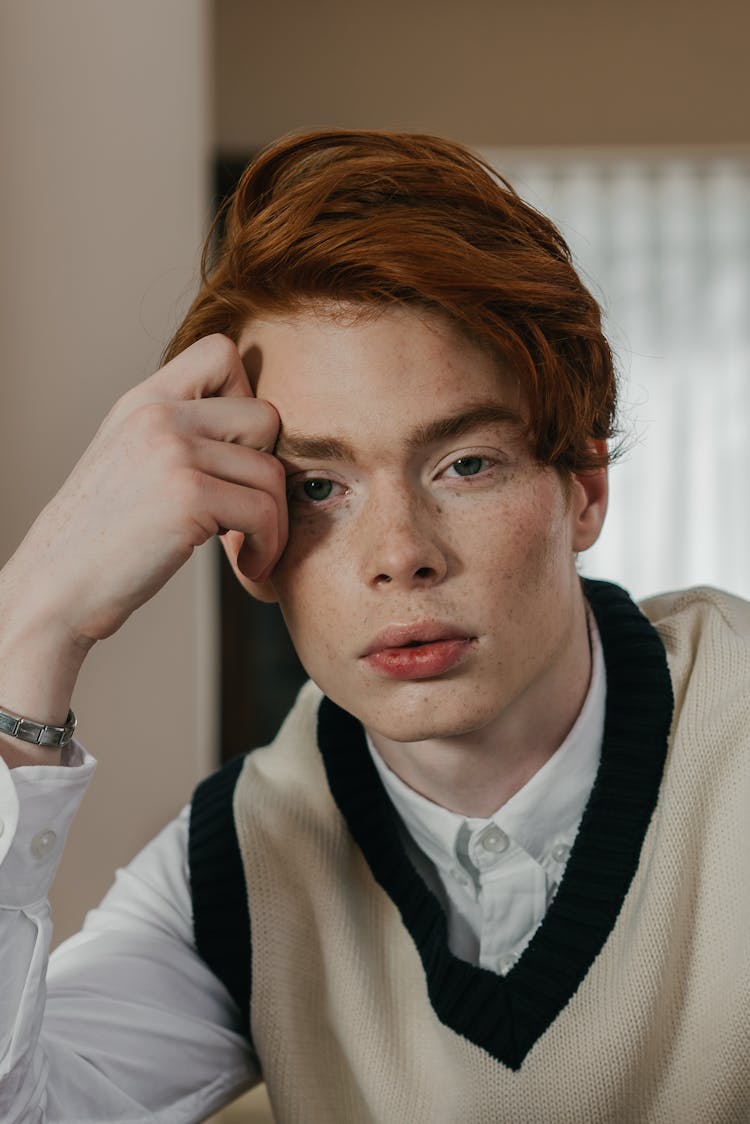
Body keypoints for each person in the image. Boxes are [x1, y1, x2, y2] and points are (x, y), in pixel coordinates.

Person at [0, 130, 747, 1124]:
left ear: (583, 488)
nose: (402, 551)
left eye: (465, 464)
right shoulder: (238, 857)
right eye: (318, 485)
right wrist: (33, 618)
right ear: (244, 542)